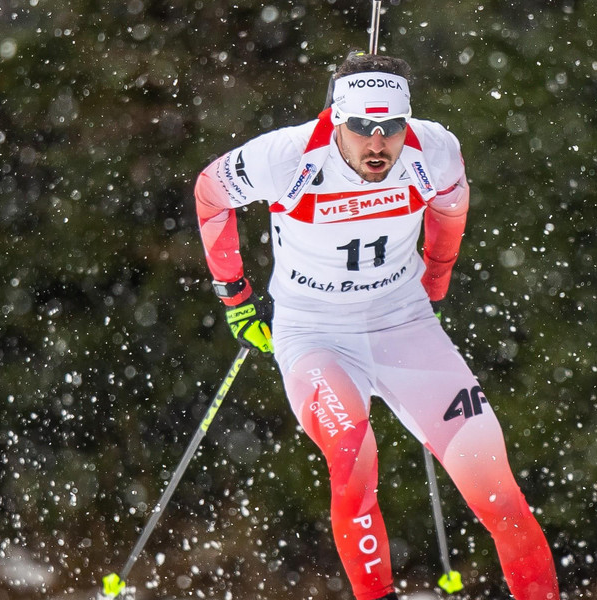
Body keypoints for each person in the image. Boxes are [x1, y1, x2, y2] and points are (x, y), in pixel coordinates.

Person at [194, 52, 561, 600]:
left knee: (499, 494)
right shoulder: (286, 156)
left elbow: (449, 213)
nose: (377, 144)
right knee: (353, 455)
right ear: (336, 119)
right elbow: (210, 193)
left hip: (403, 325)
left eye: (390, 128)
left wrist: (435, 286)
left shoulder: (434, 150)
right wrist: (235, 295)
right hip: (315, 334)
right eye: (362, 128)